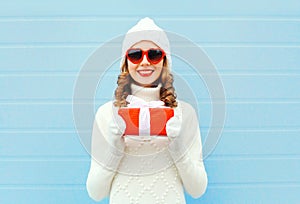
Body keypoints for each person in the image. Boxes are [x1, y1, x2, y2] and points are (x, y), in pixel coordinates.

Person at [86, 17, 208, 204]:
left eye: (154, 54)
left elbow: (198, 189)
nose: (144, 62)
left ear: (165, 61)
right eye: (135, 54)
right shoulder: (107, 115)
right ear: (125, 62)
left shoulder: (185, 113)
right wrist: (115, 149)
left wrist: (177, 146)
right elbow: (96, 193)